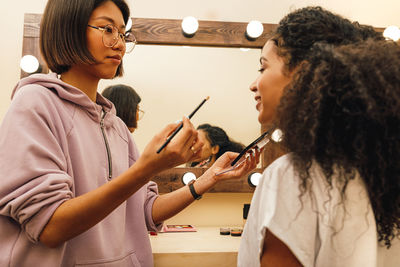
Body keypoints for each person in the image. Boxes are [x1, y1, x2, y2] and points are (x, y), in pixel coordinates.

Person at [0, 0, 259, 266]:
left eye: (123, 33)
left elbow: (146, 210)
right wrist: (145, 169)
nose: (120, 43)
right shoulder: (35, 104)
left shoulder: (117, 127)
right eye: (107, 29)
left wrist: (208, 179)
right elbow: (50, 226)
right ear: (69, 28)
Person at [237, 6, 400, 267]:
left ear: (301, 72)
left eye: (263, 68)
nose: (253, 85)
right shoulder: (383, 175)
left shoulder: (291, 177)